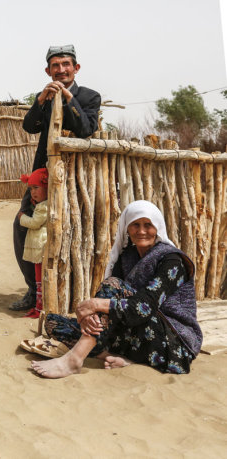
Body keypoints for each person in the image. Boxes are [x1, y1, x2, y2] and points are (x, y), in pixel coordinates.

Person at [31, 200, 203, 379]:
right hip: (133, 331)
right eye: (135, 224)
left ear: (157, 227)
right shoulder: (126, 257)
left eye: (148, 225)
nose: (141, 231)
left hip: (171, 341)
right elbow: (116, 304)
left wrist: (94, 304)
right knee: (53, 323)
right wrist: (91, 317)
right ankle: (118, 358)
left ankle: (74, 360)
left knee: (112, 284)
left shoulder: (172, 261)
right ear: (126, 228)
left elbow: (142, 308)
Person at [11, 44, 101, 311]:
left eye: (66, 65)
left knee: (73, 231)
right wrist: (40, 101)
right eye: (55, 66)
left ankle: (72, 292)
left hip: (77, 179)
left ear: (76, 68)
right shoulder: (45, 97)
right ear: (48, 71)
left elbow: (85, 129)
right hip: (43, 176)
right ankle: (33, 289)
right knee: (23, 226)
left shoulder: (89, 96)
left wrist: (68, 100)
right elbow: (29, 127)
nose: (61, 70)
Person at [17, 168, 48, 318]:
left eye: (36, 188)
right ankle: (39, 305)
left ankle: (40, 307)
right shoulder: (40, 206)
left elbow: (35, 223)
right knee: (38, 280)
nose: (33, 192)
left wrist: (22, 218)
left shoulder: (44, 207)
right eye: (30, 189)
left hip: (41, 250)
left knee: (40, 280)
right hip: (38, 250)